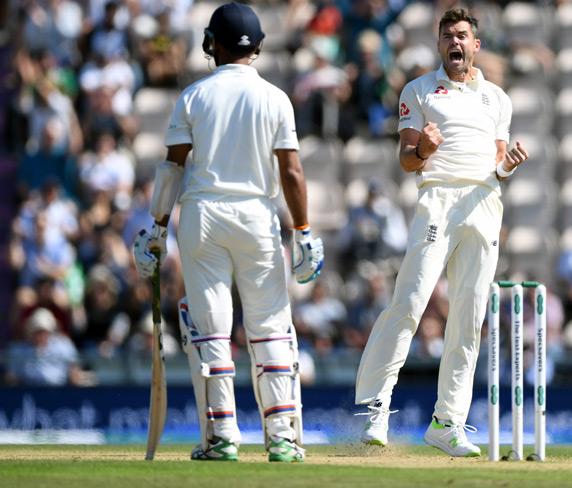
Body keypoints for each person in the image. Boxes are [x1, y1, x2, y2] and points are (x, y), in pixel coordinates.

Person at [132, 2, 324, 463]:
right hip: (257, 217)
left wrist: (156, 228)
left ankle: (221, 438)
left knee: (211, 332)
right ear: (257, 47)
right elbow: (292, 171)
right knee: (271, 329)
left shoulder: (194, 96)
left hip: (203, 217)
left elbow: (172, 167)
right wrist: (302, 230)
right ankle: (281, 438)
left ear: (210, 45)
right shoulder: (275, 97)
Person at [354, 8, 529, 457]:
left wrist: (507, 165)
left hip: (484, 204)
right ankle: (376, 407)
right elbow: (408, 159)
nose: (456, 42)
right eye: (448, 36)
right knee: (409, 303)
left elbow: (496, 165)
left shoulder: (497, 99)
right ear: (440, 45)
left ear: (476, 45)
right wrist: (425, 149)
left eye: (463, 35)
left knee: (469, 317)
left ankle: (447, 422)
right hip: (439, 201)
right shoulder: (418, 90)